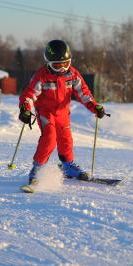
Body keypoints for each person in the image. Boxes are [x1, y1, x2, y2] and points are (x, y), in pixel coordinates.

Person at [19, 39, 106, 185]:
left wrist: (94, 106)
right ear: (48, 63)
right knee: (49, 138)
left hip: (63, 112)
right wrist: (25, 110)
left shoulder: (72, 74)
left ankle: (68, 166)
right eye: (57, 66)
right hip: (46, 112)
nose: (62, 69)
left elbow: (83, 92)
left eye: (66, 64)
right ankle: (37, 169)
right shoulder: (42, 76)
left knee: (66, 139)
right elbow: (29, 95)